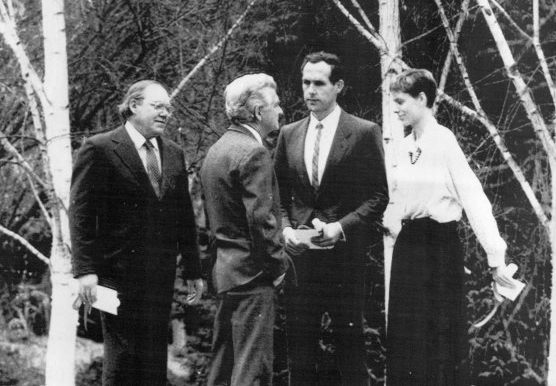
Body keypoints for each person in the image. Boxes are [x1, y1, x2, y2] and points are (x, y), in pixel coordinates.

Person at [70, 80, 205, 386]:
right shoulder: (100, 148)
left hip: (159, 277)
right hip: (113, 277)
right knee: (122, 361)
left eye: (168, 108)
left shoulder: (173, 153)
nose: (166, 113)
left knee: (154, 362)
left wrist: (194, 270)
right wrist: (85, 270)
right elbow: (80, 214)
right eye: (158, 106)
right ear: (133, 106)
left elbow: (183, 215)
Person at [385, 69, 514, 385]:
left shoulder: (443, 141)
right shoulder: (402, 147)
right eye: (393, 102)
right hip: (409, 248)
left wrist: (496, 257)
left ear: (422, 99)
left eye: (401, 101)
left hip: (439, 248)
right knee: (405, 342)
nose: (396, 109)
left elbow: (474, 199)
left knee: (438, 341)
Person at [274, 51, 388, 386]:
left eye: (319, 83)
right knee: (301, 352)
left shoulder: (364, 132)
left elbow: (379, 196)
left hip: (345, 263)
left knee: (350, 351)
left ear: (338, 85)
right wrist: (285, 230)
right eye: (305, 82)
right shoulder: (289, 134)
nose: (310, 90)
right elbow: (277, 196)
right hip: (300, 262)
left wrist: (341, 227)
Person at [201, 73, 289, 386]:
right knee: (253, 371)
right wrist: (277, 266)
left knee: (223, 369)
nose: (280, 111)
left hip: (225, 273)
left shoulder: (217, 150)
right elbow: (262, 221)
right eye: (275, 105)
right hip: (253, 276)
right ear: (256, 112)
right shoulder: (255, 153)